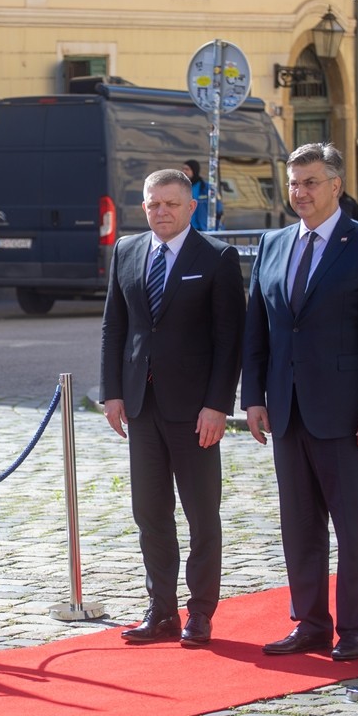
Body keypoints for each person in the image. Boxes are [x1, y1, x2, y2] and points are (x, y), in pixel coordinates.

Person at [241, 142, 358, 662]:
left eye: (310, 182)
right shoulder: (274, 243)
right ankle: (310, 622)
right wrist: (255, 398)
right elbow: (258, 329)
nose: (299, 192)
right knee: (299, 525)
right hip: (286, 410)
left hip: (345, 413)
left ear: (336, 185)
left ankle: (355, 627)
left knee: (353, 527)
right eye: (293, 182)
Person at [99, 168, 245, 647]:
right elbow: (114, 328)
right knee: (150, 512)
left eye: (171, 204)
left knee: (202, 514)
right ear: (143, 207)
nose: (161, 212)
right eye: (152, 204)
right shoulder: (126, 251)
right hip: (141, 405)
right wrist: (113, 392)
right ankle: (159, 609)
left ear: (190, 207)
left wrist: (217, 405)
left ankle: (199, 612)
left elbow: (229, 340)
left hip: (195, 410)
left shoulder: (217, 258)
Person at [182, 159, 222, 232]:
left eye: (187, 169)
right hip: (186, 229)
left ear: (194, 170)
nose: (184, 171)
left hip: (204, 229)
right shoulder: (181, 188)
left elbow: (218, 209)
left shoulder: (207, 188)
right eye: (183, 169)